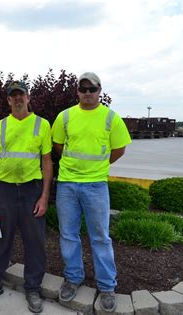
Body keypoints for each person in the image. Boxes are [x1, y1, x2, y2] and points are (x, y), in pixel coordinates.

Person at [51, 72, 131, 313]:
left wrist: (99, 166)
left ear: (99, 90)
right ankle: (73, 278)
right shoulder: (65, 117)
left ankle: (107, 286)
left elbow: (119, 149)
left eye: (92, 89)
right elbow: (58, 145)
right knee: (68, 235)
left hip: (96, 186)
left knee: (100, 237)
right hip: (67, 184)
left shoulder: (110, 118)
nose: (88, 93)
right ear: (77, 91)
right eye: (83, 89)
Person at [0, 81, 53, 313]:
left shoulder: (42, 124)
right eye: (13, 96)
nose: (18, 99)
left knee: (35, 241)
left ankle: (33, 288)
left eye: (22, 95)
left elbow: (47, 162)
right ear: (8, 100)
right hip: (4, 190)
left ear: (29, 98)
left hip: (31, 190)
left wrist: (44, 196)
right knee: (0, 238)